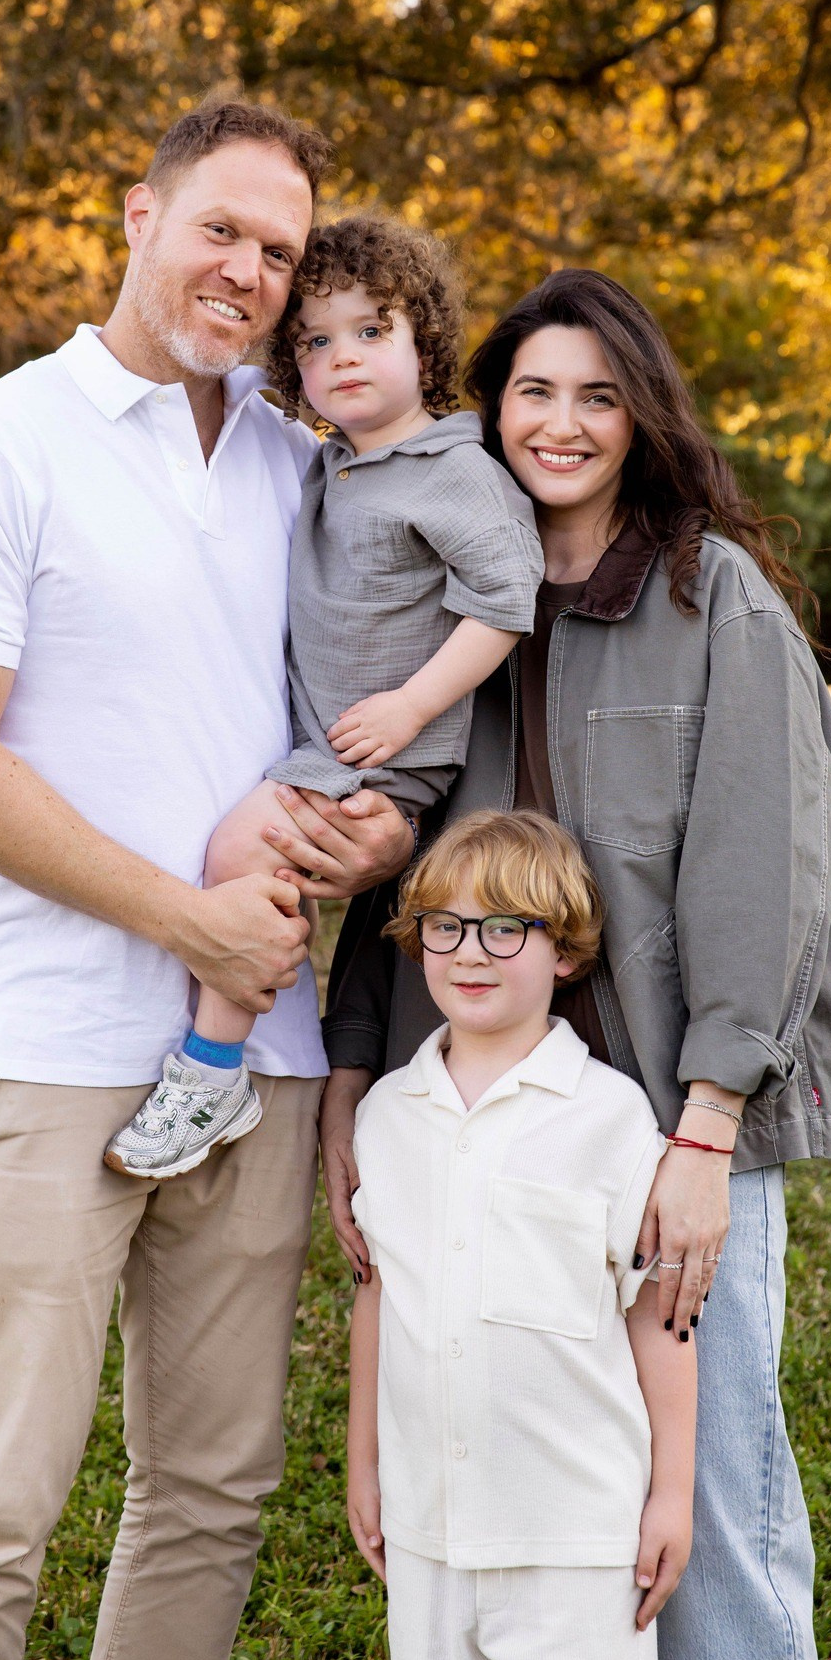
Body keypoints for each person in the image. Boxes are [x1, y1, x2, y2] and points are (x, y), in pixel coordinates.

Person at [0, 98, 414, 1660]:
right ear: (139, 217)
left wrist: (375, 840)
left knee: (210, 1496)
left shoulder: (309, 469)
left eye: (280, 253)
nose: (248, 272)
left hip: (262, 1057)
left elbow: (350, 726)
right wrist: (190, 923)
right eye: (220, 230)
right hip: (50, 1043)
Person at [318, 268, 831, 1660]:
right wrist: (353, 1081)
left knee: (708, 1499)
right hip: (482, 1115)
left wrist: (705, 1133)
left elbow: (764, 879)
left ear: (643, 417)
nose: (562, 424)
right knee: (524, 1459)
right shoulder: (451, 605)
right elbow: (398, 869)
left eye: (598, 395)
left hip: (670, 1118)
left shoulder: (716, 601)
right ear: (489, 411)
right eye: (533, 391)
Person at [104, 214, 542, 1180]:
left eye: (370, 330)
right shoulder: (335, 459)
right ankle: (222, 1048)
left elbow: (505, 602)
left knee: (239, 855)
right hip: (337, 742)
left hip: (382, 750)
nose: (341, 356)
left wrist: (410, 708)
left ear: (425, 343)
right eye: (313, 341)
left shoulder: (454, 471)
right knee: (249, 864)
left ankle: (212, 1070)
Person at [347, 808, 697, 1660]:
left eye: (505, 928)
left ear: (564, 951)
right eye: (446, 926)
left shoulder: (610, 1117)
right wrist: (365, 1465)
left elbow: (656, 1316)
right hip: (427, 1530)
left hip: (577, 1537)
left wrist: (672, 1497)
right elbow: (377, 1294)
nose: (470, 952)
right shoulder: (386, 1114)